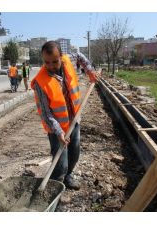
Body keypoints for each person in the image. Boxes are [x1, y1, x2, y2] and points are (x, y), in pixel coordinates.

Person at [31, 41, 99, 190]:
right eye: (46, 62)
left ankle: (68, 176)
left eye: (55, 61)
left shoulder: (69, 61)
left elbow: (80, 56)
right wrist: (59, 132)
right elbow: (45, 113)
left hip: (74, 120)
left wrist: (90, 71)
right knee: (60, 163)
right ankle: (56, 185)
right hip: (56, 128)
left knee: (75, 151)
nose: (51, 66)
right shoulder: (40, 82)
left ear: (61, 56)